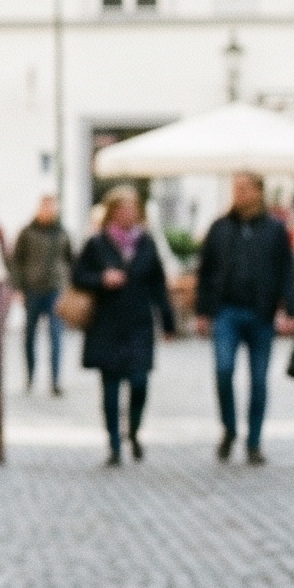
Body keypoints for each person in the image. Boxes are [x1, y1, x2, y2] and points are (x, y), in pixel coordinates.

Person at [195, 173, 294, 465]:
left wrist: (290, 311)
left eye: (243, 189)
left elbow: (286, 273)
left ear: (258, 192)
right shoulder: (220, 227)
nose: (238, 194)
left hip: (261, 313)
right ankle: (229, 429)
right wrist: (202, 311)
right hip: (226, 311)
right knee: (223, 370)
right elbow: (205, 271)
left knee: (258, 381)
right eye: (235, 189)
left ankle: (254, 441)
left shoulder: (275, 229)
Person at [74, 185, 175, 467]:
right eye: (122, 209)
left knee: (140, 382)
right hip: (106, 323)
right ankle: (114, 444)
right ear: (112, 212)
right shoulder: (97, 244)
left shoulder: (147, 243)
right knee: (110, 387)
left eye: (133, 209)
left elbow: (158, 284)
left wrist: (167, 321)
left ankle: (133, 429)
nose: (128, 214)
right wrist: (101, 279)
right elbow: (78, 276)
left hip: (139, 323)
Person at [9, 195, 75, 395]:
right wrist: (18, 288)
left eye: (52, 207)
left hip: (56, 288)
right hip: (32, 289)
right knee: (29, 336)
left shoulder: (62, 232)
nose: (49, 211)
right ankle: (30, 377)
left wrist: (69, 288)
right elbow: (17, 262)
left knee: (56, 335)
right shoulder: (27, 232)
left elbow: (71, 260)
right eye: (46, 207)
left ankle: (55, 381)